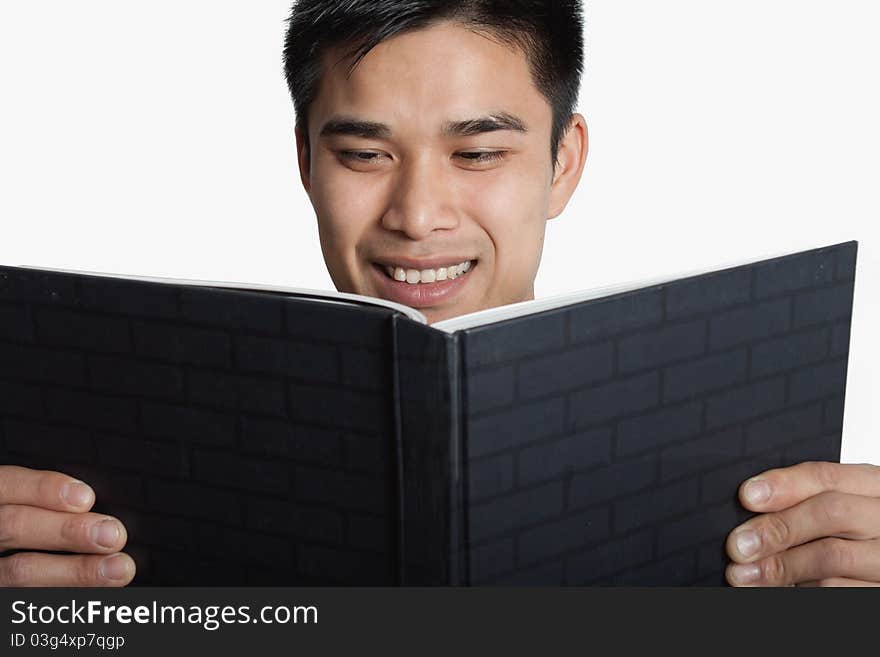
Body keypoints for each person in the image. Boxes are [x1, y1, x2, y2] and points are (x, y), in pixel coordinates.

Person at [1, 0, 877, 587]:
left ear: (562, 161)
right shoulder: (114, 440)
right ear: (304, 161)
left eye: (480, 152)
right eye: (364, 154)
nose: (418, 216)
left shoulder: (749, 448)